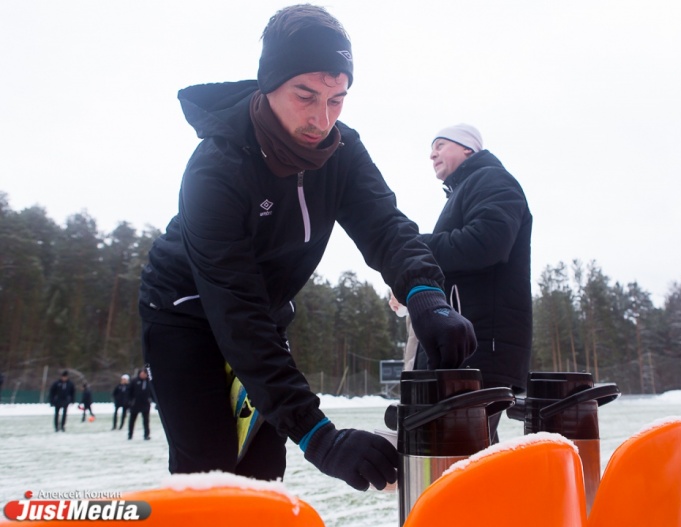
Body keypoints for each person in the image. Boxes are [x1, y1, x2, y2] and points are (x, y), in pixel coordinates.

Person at [137, 4, 476, 490]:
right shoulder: (216, 169)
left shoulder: (342, 151)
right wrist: (320, 437)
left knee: (261, 474)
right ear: (269, 82)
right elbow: (237, 312)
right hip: (183, 312)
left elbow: (385, 225)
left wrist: (426, 295)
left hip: (264, 312)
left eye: (337, 99)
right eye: (306, 95)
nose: (322, 118)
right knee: (209, 471)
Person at [417, 123, 533, 440]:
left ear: (468, 148)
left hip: (479, 345)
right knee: (463, 451)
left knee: (464, 450)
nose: (432, 154)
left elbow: (489, 242)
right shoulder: (467, 189)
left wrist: (417, 247)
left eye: (441, 145)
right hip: (464, 345)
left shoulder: (491, 179)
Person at [128, 368, 152, 440]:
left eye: (144, 373)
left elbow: (152, 393)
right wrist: (129, 401)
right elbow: (129, 392)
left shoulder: (149, 382)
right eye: (141, 373)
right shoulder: (134, 381)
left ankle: (146, 435)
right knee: (132, 420)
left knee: (146, 420)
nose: (143, 375)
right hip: (135, 404)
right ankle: (130, 434)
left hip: (145, 404)